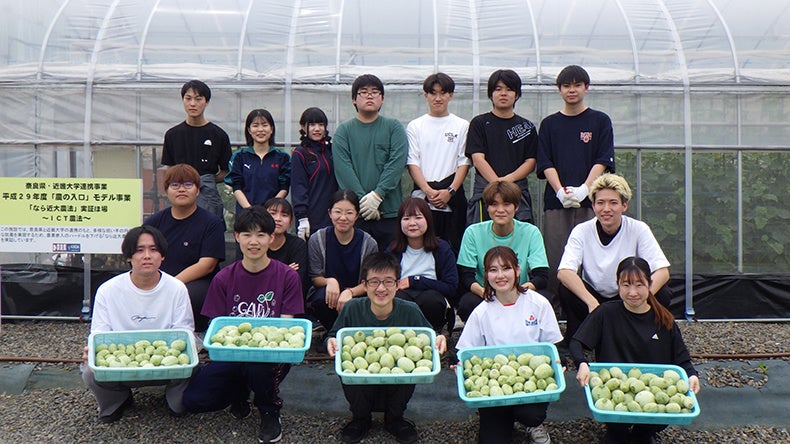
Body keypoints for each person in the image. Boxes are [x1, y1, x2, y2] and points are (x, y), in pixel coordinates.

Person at [182, 206, 303, 444]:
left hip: (269, 356)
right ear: (237, 237)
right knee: (193, 401)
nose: (253, 241)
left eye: (260, 235)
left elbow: (286, 329)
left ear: (271, 237)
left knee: (257, 366)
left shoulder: (287, 276)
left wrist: (263, 347)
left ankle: (269, 409)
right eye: (247, 234)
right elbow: (216, 329)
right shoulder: (224, 277)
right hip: (232, 353)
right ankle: (240, 392)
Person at [571, 257, 701, 444]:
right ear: (618, 285)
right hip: (614, 392)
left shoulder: (664, 320)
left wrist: (692, 376)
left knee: (652, 424)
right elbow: (577, 342)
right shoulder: (606, 313)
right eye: (626, 285)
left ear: (649, 284)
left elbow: (682, 359)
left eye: (639, 285)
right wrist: (582, 364)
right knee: (617, 431)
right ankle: (617, 432)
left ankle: (644, 432)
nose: (632, 292)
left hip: (654, 393)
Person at [326, 252, 448, 444]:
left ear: (398, 284)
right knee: (349, 367)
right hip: (363, 373)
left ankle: (395, 418)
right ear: (364, 285)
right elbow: (334, 334)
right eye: (374, 282)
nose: (381, 288)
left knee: (407, 367)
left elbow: (429, 335)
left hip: (397, 376)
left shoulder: (410, 310)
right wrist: (331, 341)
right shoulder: (352, 308)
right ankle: (360, 419)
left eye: (388, 281)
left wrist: (439, 339)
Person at [81, 225, 195, 423]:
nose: (147, 256)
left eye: (153, 249)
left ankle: (173, 400)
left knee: (192, 367)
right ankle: (117, 401)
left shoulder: (176, 288)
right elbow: (99, 334)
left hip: (167, 365)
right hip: (121, 366)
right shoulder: (108, 290)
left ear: (163, 255)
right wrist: (91, 352)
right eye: (139, 250)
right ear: (128, 256)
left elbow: (184, 331)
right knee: (89, 372)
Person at [456, 246, 562, 444]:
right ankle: (502, 418)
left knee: (531, 414)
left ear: (518, 270)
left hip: (530, 381)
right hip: (495, 386)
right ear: (486, 275)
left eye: (506, 268)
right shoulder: (481, 312)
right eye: (493, 270)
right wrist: (461, 368)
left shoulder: (538, 304)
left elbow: (553, 345)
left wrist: (557, 363)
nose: (500, 275)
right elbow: (465, 352)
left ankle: (533, 423)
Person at [557, 173, 672, 344]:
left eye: (613, 203)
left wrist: (640, 295)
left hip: (626, 294)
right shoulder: (582, 231)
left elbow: (662, 271)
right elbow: (564, 272)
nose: (606, 209)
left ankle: (647, 335)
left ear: (624, 206)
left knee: (663, 293)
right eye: (600, 203)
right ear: (594, 206)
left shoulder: (638, 229)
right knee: (565, 288)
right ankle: (576, 335)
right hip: (594, 296)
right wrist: (592, 303)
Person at [537, 65, 615, 298]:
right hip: (556, 202)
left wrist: (585, 189)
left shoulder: (599, 121)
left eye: (577, 85)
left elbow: (603, 158)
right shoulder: (550, 124)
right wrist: (560, 190)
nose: (572, 90)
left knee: (591, 254)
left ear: (586, 88)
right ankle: (556, 307)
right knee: (557, 255)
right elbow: (545, 161)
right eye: (567, 86)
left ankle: (592, 303)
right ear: (559, 90)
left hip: (592, 202)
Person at [144, 163, 225, 332]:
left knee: (189, 294)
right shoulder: (154, 223)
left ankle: (192, 334)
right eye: (175, 185)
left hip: (197, 282)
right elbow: (142, 254)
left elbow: (207, 264)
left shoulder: (211, 223)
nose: (182, 189)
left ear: (197, 190)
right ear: (166, 191)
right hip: (159, 278)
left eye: (188, 185)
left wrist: (172, 284)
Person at [333, 74, 409, 250]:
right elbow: (343, 168)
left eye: (375, 92)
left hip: (389, 212)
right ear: (354, 100)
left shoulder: (393, 127)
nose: (369, 96)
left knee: (389, 265)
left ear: (382, 99)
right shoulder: (344, 131)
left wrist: (378, 195)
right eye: (363, 92)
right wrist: (363, 202)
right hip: (356, 215)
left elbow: (397, 163)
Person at [456, 181, 549, 322]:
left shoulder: (531, 232)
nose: (500, 210)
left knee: (545, 298)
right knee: (467, 302)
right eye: (494, 204)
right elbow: (466, 277)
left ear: (516, 207)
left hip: (520, 292)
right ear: (487, 207)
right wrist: (488, 294)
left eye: (506, 204)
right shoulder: (473, 232)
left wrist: (516, 293)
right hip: (485, 293)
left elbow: (541, 276)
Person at [406, 72, 470, 254]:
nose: (438, 98)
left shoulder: (462, 125)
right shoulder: (415, 126)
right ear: (425, 95)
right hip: (422, 197)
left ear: (451, 95)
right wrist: (428, 191)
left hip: (452, 197)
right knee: (421, 246)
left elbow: (463, 162)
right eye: (433, 93)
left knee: (452, 247)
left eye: (443, 93)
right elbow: (413, 162)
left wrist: (450, 191)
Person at [465, 69, 538, 225]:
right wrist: (497, 185)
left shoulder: (526, 127)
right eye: (498, 89)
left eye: (509, 89)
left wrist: (508, 181)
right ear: (491, 94)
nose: (503, 93)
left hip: (517, 192)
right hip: (485, 192)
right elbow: (478, 159)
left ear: (517, 95)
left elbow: (531, 161)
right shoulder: (479, 123)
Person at [306, 189, 378, 332]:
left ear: (357, 215)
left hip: (357, 295)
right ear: (329, 213)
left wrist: (350, 292)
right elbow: (315, 277)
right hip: (328, 297)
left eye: (349, 213)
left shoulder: (368, 243)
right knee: (320, 298)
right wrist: (330, 281)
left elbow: (372, 281)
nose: (343, 218)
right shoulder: (318, 239)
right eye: (338, 212)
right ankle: (329, 332)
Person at [161, 79, 231, 220]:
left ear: (206, 102)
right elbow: (169, 168)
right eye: (188, 98)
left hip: (207, 192)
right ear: (183, 101)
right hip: (178, 192)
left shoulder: (218, 135)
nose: (193, 104)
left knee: (209, 228)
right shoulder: (172, 134)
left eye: (198, 99)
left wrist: (205, 180)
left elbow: (226, 171)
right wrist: (183, 182)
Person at [386, 197, 459, 332]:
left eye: (418, 217)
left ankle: (435, 335)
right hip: (403, 298)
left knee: (430, 299)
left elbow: (451, 287)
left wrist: (415, 281)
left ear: (428, 220)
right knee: (398, 299)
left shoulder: (442, 249)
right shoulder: (393, 250)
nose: (412, 223)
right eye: (406, 219)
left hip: (432, 300)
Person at [226, 108, 291, 217]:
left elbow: (284, 187)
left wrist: (270, 210)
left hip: (272, 216)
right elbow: (236, 186)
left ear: (271, 129)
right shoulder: (239, 157)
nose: (260, 129)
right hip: (245, 215)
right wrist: (250, 210)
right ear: (249, 130)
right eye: (255, 125)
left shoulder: (282, 157)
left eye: (265, 125)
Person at [291, 107, 338, 240]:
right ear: (303, 127)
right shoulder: (300, 153)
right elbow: (299, 186)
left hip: (335, 217)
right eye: (312, 124)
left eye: (321, 124)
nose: (317, 129)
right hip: (312, 219)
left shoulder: (332, 151)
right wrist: (302, 217)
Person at [264, 197, 309, 302]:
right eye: (273, 213)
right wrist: (284, 273)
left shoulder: (298, 245)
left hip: (289, 302)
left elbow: (297, 282)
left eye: (284, 215)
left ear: (290, 222)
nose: (278, 218)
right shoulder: (256, 244)